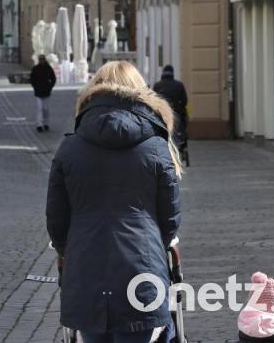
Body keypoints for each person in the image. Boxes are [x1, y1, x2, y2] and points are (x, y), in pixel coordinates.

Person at [46, 61, 182, 343]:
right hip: (142, 270)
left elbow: (57, 221)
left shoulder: (69, 148)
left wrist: (66, 251)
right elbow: (170, 220)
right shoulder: (156, 146)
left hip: (85, 271)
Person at [153, 64, 188, 146]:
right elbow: (185, 101)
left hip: (162, 114)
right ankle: (182, 143)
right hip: (176, 113)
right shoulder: (179, 85)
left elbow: (153, 101)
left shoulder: (157, 85)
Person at [30, 54, 57, 132]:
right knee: (39, 108)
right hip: (38, 92)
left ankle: (46, 123)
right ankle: (39, 125)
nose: (41, 60)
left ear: (44, 59)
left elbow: (53, 78)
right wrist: (35, 87)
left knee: (46, 109)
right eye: (40, 59)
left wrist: (50, 87)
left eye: (43, 59)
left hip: (46, 91)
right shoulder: (35, 68)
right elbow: (32, 79)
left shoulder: (48, 68)